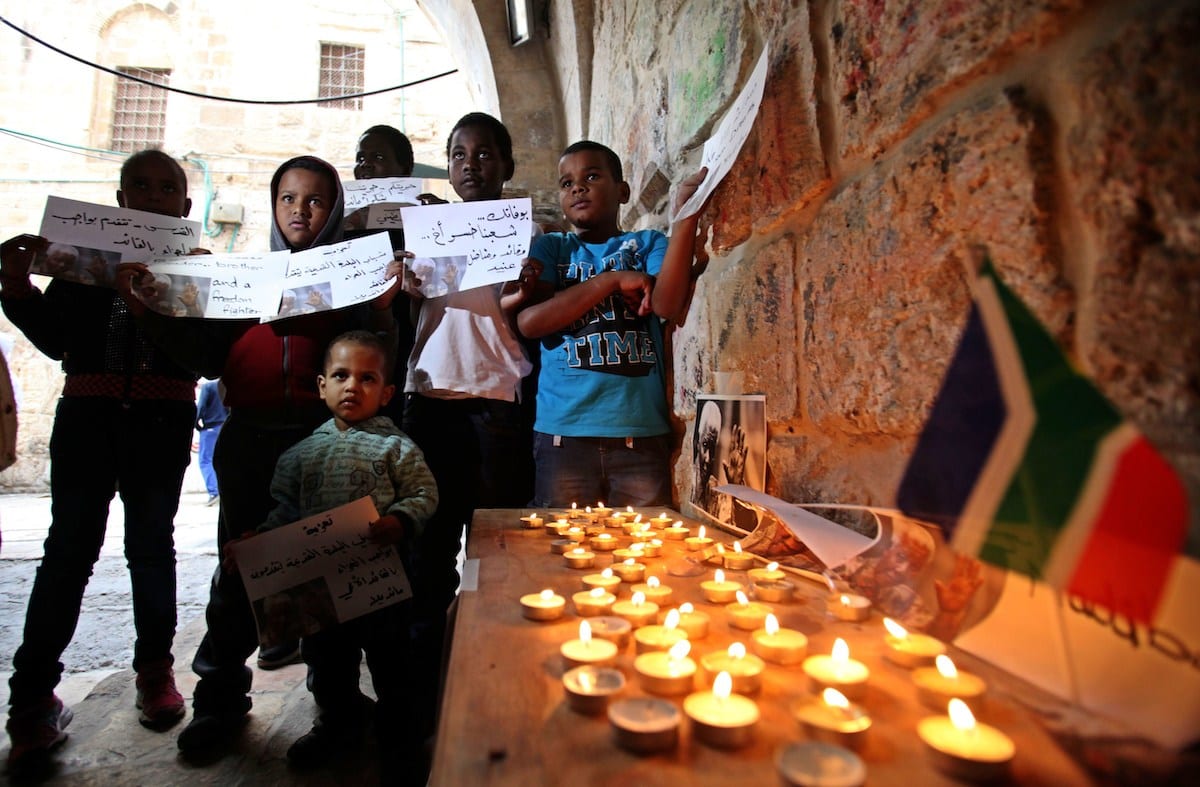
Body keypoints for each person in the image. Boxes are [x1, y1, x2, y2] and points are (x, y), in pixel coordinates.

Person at [119, 155, 400, 758]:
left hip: (322, 442)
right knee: (241, 575)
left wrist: (379, 308)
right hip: (248, 446)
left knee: (327, 580)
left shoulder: (349, 280)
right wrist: (149, 314)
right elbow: (205, 359)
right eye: (289, 199)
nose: (301, 211)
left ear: (335, 212)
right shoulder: (240, 280)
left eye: (317, 201)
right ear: (273, 206)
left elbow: (374, 356)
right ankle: (219, 704)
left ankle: (338, 713)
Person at [0, 149, 200, 770]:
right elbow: (58, 340)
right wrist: (15, 285)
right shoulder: (80, 270)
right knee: (68, 550)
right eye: (138, 185)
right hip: (86, 421)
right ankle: (32, 699)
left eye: (165, 188)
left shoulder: (197, 271)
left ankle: (154, 674)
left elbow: (202, 355)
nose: (151, 195)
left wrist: (153, 305)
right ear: (119, 200)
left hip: (162, 424)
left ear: (185, 208)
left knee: (150, 547)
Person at [394, 112, 543, 748]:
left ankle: (496, 697)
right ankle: (420, 713)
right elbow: (411, 307)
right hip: (429, 401)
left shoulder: (529, 231)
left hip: (498, 407)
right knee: (426, 562)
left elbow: (522, 315)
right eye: (458, 153)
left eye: (485, 154)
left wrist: (525, 285)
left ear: (507, 165)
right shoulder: (424, 230)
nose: (470, 164)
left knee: (497, 559)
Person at [231, 330, 436, 779]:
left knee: (391, 662)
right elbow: (284, 511)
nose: (352, 386)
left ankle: (400, 736)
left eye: (367, 378)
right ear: (321, 386)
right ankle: (337, 725)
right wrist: (258, 540)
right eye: (340, 375)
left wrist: (401, 519)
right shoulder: (300, 455)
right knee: (325, 661)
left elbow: (424, 493)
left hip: (382, 584)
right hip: (318, 591)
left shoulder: (396, 447)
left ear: (386, 393)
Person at [517, 141, 709, 507]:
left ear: (622, 191)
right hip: (563, 435)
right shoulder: (554, 249)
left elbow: (667, 303)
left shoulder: (647, 244)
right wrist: (610, 281)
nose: (577, 188)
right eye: (566, 183)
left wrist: (685, 215)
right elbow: (531, 322)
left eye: (591, 176)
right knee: (562, 552)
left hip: (639, 432)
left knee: (645, 551)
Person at [195, 378, 227, 506]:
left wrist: (197, 422)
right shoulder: (224, 384)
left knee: (205, 460)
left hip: (210, 427)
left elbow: (201, 406)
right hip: (224, 426)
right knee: (221, 460)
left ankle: (214, 492)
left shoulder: (208, 387)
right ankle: (223, 490)